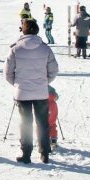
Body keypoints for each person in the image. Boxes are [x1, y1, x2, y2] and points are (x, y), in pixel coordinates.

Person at [4, 19, 58, 164]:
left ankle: (26, 154)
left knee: (25, 122)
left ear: (23, 30)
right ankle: (44, 152)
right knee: (42, 122)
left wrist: (16, 84)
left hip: (22, 91)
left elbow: (7, 72)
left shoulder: (15, 49)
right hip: (40, 91)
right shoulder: (45, 48)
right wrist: (45, 82)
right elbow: (53, 70)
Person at [48, 86, 59, 150]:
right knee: (52, 124)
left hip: (43, 105)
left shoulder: (40, 87)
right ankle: (53, 142)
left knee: (41, 125)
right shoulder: (52, 89)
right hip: (53, 106)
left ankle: (42, 141)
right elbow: (56, 96)